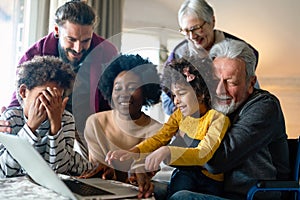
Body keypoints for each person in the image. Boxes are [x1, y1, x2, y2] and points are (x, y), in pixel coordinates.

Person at [168, 39, 290, 200]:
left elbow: (216, 161)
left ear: (251, 82)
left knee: (181, 198)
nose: (220, 90)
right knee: (150, 193)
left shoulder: (264, 106)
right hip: (212, 191)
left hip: (251, 196)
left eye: (231, 82)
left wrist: (184, 137)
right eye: (214, 80)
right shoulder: (213, 104)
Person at [106, 57, 231, 198]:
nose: (176, 101)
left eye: (181, 94)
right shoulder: (179, 115)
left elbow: (203, 154)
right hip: (184, 173)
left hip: (209, 183)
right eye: (174, 95)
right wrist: (133, 152)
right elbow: (160, 138)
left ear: (201, 92)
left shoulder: (217, 119)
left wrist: (168, 151)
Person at [5, 1, 118, 148]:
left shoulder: (108, 52)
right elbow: (20, 98)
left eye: (85, 41)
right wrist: (7, 120)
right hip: (46, 126)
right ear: (57, 30)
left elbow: (111, 103)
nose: (78, 48)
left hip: (89, 129)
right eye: (71, 40)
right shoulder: (34, 55)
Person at [79, 54, 163, 198]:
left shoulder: (157, 130)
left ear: (145, 92)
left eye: (132, 88)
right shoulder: (95, 123)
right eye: (118, 88)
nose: (124, 94)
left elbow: (142, 172)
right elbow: (98, 172)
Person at [0, 55, 93, 178]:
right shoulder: (11, 119)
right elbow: (4, 171)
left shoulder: (65, 119)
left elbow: (58, 170)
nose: (52, 104)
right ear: (23, 92)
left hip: (83, 173)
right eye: (45, 95)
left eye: (57, 98)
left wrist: (56, 124)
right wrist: (30, 127)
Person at [162, 0, 259, 115]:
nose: (192, 36)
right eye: (186, 31)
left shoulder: (239, 48)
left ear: (212, 21)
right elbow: (168, 100)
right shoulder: (178, 54)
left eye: (196, 28)